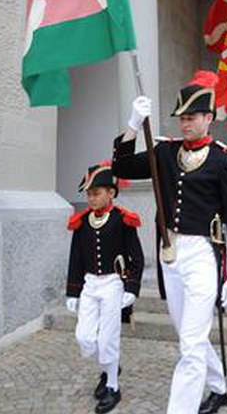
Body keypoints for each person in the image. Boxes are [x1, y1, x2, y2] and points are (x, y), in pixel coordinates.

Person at [112, 70, 227, 414]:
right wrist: (133, 124)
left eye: (192, 117)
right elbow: (124, 166)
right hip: (169, 253)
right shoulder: (165, 153)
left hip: (203, 254)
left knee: (190, 343)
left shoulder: (225, 159)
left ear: (209, 118)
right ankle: (221, 385)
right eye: (182, 118)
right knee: (189, 336)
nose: (185, 124)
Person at [65, 161, 144, 414]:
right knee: (85, 337)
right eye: (88, 194)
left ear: (111, 192)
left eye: (96, 193)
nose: (91, 198)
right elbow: (75, 258)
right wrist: (73, 291)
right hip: (90, 284)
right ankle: (112, 364)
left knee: (108, 337)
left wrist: (132, 287)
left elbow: (137, 256)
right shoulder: (83, 222)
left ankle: (112, 384)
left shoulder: (123, 219)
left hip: (112, 284)